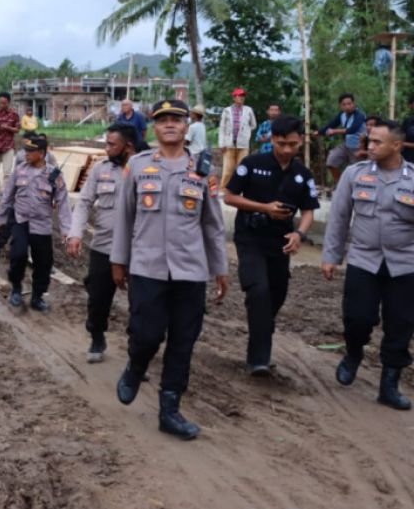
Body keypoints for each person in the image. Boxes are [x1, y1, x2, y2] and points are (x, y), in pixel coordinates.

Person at [111, 99, 228, 441]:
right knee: (146, 334)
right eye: (163, 121)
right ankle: (135, 366)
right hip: (147, 267)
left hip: (190, 271)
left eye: (177, 119)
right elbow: (124, 217)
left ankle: (170, 410)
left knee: (183, 341)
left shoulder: (203, 169)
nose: (171, 125)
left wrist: (220, 268)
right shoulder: (137, 165)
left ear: (186, 125)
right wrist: (119, 261)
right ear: (154, 128)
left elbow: (213, 225)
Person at [321, 120, 414, 410]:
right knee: (357, 318)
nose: (369, 147)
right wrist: (331, 256)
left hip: (406, 263)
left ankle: (389, 384)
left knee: (400, 324)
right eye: (369, 141)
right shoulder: (354, 174)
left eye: (377, 142)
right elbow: (338, 217)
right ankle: (353, 353)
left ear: (396, 146)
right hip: (364, 259)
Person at [224, 116, 319, 375]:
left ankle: (261, 323)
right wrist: (264, 208)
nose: (286, 149)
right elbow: (230, 196)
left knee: (276, 295)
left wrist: (299, 233)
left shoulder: (303, 174)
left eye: (292, 144)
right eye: (280, 143)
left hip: (281, 242)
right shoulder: (253, 164)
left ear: (300, 141)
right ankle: (259, 360)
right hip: (251, 238)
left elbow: (309, 210)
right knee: (259, 290)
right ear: (272, 140)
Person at [66, 123, 138, 362]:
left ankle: (137, 353)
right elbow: (84, 202)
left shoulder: (146, 169)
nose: (106, 148)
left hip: (139, 251)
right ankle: (97, 336)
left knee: (142, 305)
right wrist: (75, 234)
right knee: (97, 298)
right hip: (104, 246)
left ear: (127, 146)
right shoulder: (101, 170)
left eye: (111, 144)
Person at [0, 133, 72, 312]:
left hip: (42, 225)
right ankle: (16, 288)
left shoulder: (53, 175)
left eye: (31, 151)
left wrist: (67, 229)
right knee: (17, 255)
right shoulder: (19, 170)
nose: (26, 153)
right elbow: (6, 197)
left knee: (43, 263)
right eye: (25, 150)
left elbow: (63, 203)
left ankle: (37, 296)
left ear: (42, 153)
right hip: (21, 221)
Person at [318, 93, 368, 191]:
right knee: (331, 161)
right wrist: (319, 132)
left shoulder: (360, 115)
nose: (347, 106)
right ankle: (341, 185)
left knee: (357, 172)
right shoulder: (342, 115)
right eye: (344, 104)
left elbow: (353, 129)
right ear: (340, 106)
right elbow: (331, 124)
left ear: (354, 103)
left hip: (358, 147)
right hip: (346, 146)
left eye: (349, 104)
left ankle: (356, 191)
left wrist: (334, 131)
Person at [218, 88, 257, 190]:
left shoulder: (248, 110)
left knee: (242, 168)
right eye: (239, 96)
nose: (241, 98)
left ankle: (239, 189)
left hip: (243, 144)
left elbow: (253, 125)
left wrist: (246, 132)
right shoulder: (227, 110)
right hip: (229, 143)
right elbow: (222, 128)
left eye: (243, 96)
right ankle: (223, 190)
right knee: (228, 169)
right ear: (234, 98)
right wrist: (221, 143)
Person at [401, 95, 414, 164]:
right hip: (407, 159)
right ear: (411, 106)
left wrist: (404, 144)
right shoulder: (408, 121)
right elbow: (401, 137)